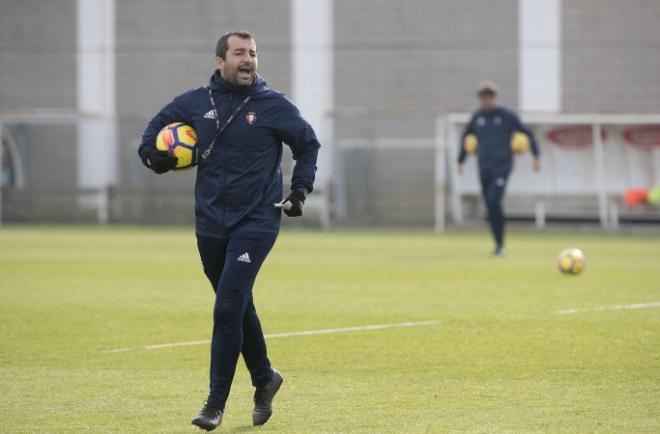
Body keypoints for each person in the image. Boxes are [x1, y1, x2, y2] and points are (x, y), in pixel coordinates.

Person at [137, 30, 320, 431]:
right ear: (220, 60)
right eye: (239, 53)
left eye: (253, 53)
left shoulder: (273, 105)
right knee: (237, 304)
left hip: (256, 221)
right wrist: (156, 158)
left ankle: (214, 404)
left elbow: (308, 144)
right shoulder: (195, 102)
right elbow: (152, 132)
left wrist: (300, 189)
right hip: (210, 223)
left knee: (226, 308)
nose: (248, 59)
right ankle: (265, 378)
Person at [457, 81, 540, 256]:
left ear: (495, 98)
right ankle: (498, 244)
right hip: (483, 167)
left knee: (494, 200)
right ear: (480, 100)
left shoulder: (506, 116)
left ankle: (500, 244)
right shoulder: (477, 117)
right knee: (490, 206)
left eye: (490, 98)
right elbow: (466, 138)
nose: (487, 102)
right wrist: (460, 161)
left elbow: (528, 133)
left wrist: (536, 156)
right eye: (484, 99)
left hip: (502, 166)